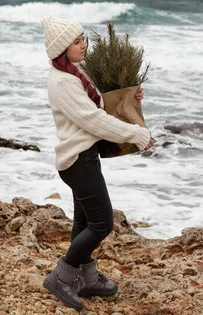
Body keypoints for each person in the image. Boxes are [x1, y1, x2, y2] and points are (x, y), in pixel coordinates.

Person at [40, 16, 154, 310]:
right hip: (77, 162)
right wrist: (135, 134)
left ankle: (87, 278)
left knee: (84, 221)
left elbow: (99, 103)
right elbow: (93, 120)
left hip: (85, 158)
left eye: (83, 40)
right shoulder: (63, 82)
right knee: (102, 223)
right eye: (77, 42)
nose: (84, 46)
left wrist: (132, 96)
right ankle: (62, 277)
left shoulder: (76, 74)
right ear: (61, 48)